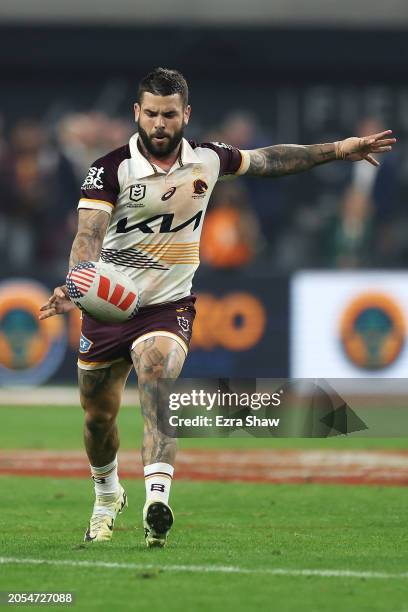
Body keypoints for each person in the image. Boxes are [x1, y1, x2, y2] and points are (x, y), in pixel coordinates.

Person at [38, 67, 396, 548]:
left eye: (169, 114)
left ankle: (157, 500)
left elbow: (269, 160)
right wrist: (78, 280)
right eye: (151, 114)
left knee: (157, 372)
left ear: (185, 114)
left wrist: (336, 150)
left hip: (168, 305)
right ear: (136, 114)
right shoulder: (110, 167)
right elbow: (87, 236)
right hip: (109, 307)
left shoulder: (207, 159)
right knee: (97, 417)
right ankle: (107, 495)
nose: (160, 124)